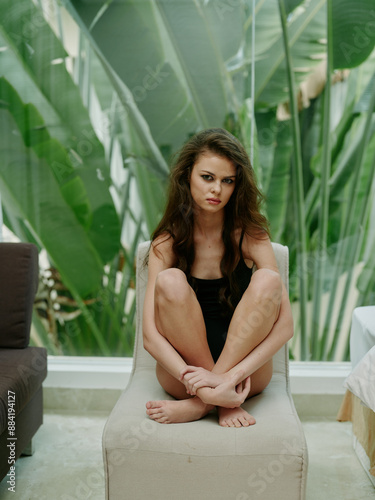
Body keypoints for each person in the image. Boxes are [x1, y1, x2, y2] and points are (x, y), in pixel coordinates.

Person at [143, 128, 293, 427]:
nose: (217, 190)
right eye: (207, 177)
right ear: (187, 177)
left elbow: (285, 327)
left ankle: (199, 407)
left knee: (268, 280)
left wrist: (227, 380)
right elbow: (149, 336)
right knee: (170, 280)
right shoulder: (167, 242)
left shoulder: (250, 235)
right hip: (182, 375)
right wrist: (201, 384)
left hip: (246, 374)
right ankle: (215, 401)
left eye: (228, 181)